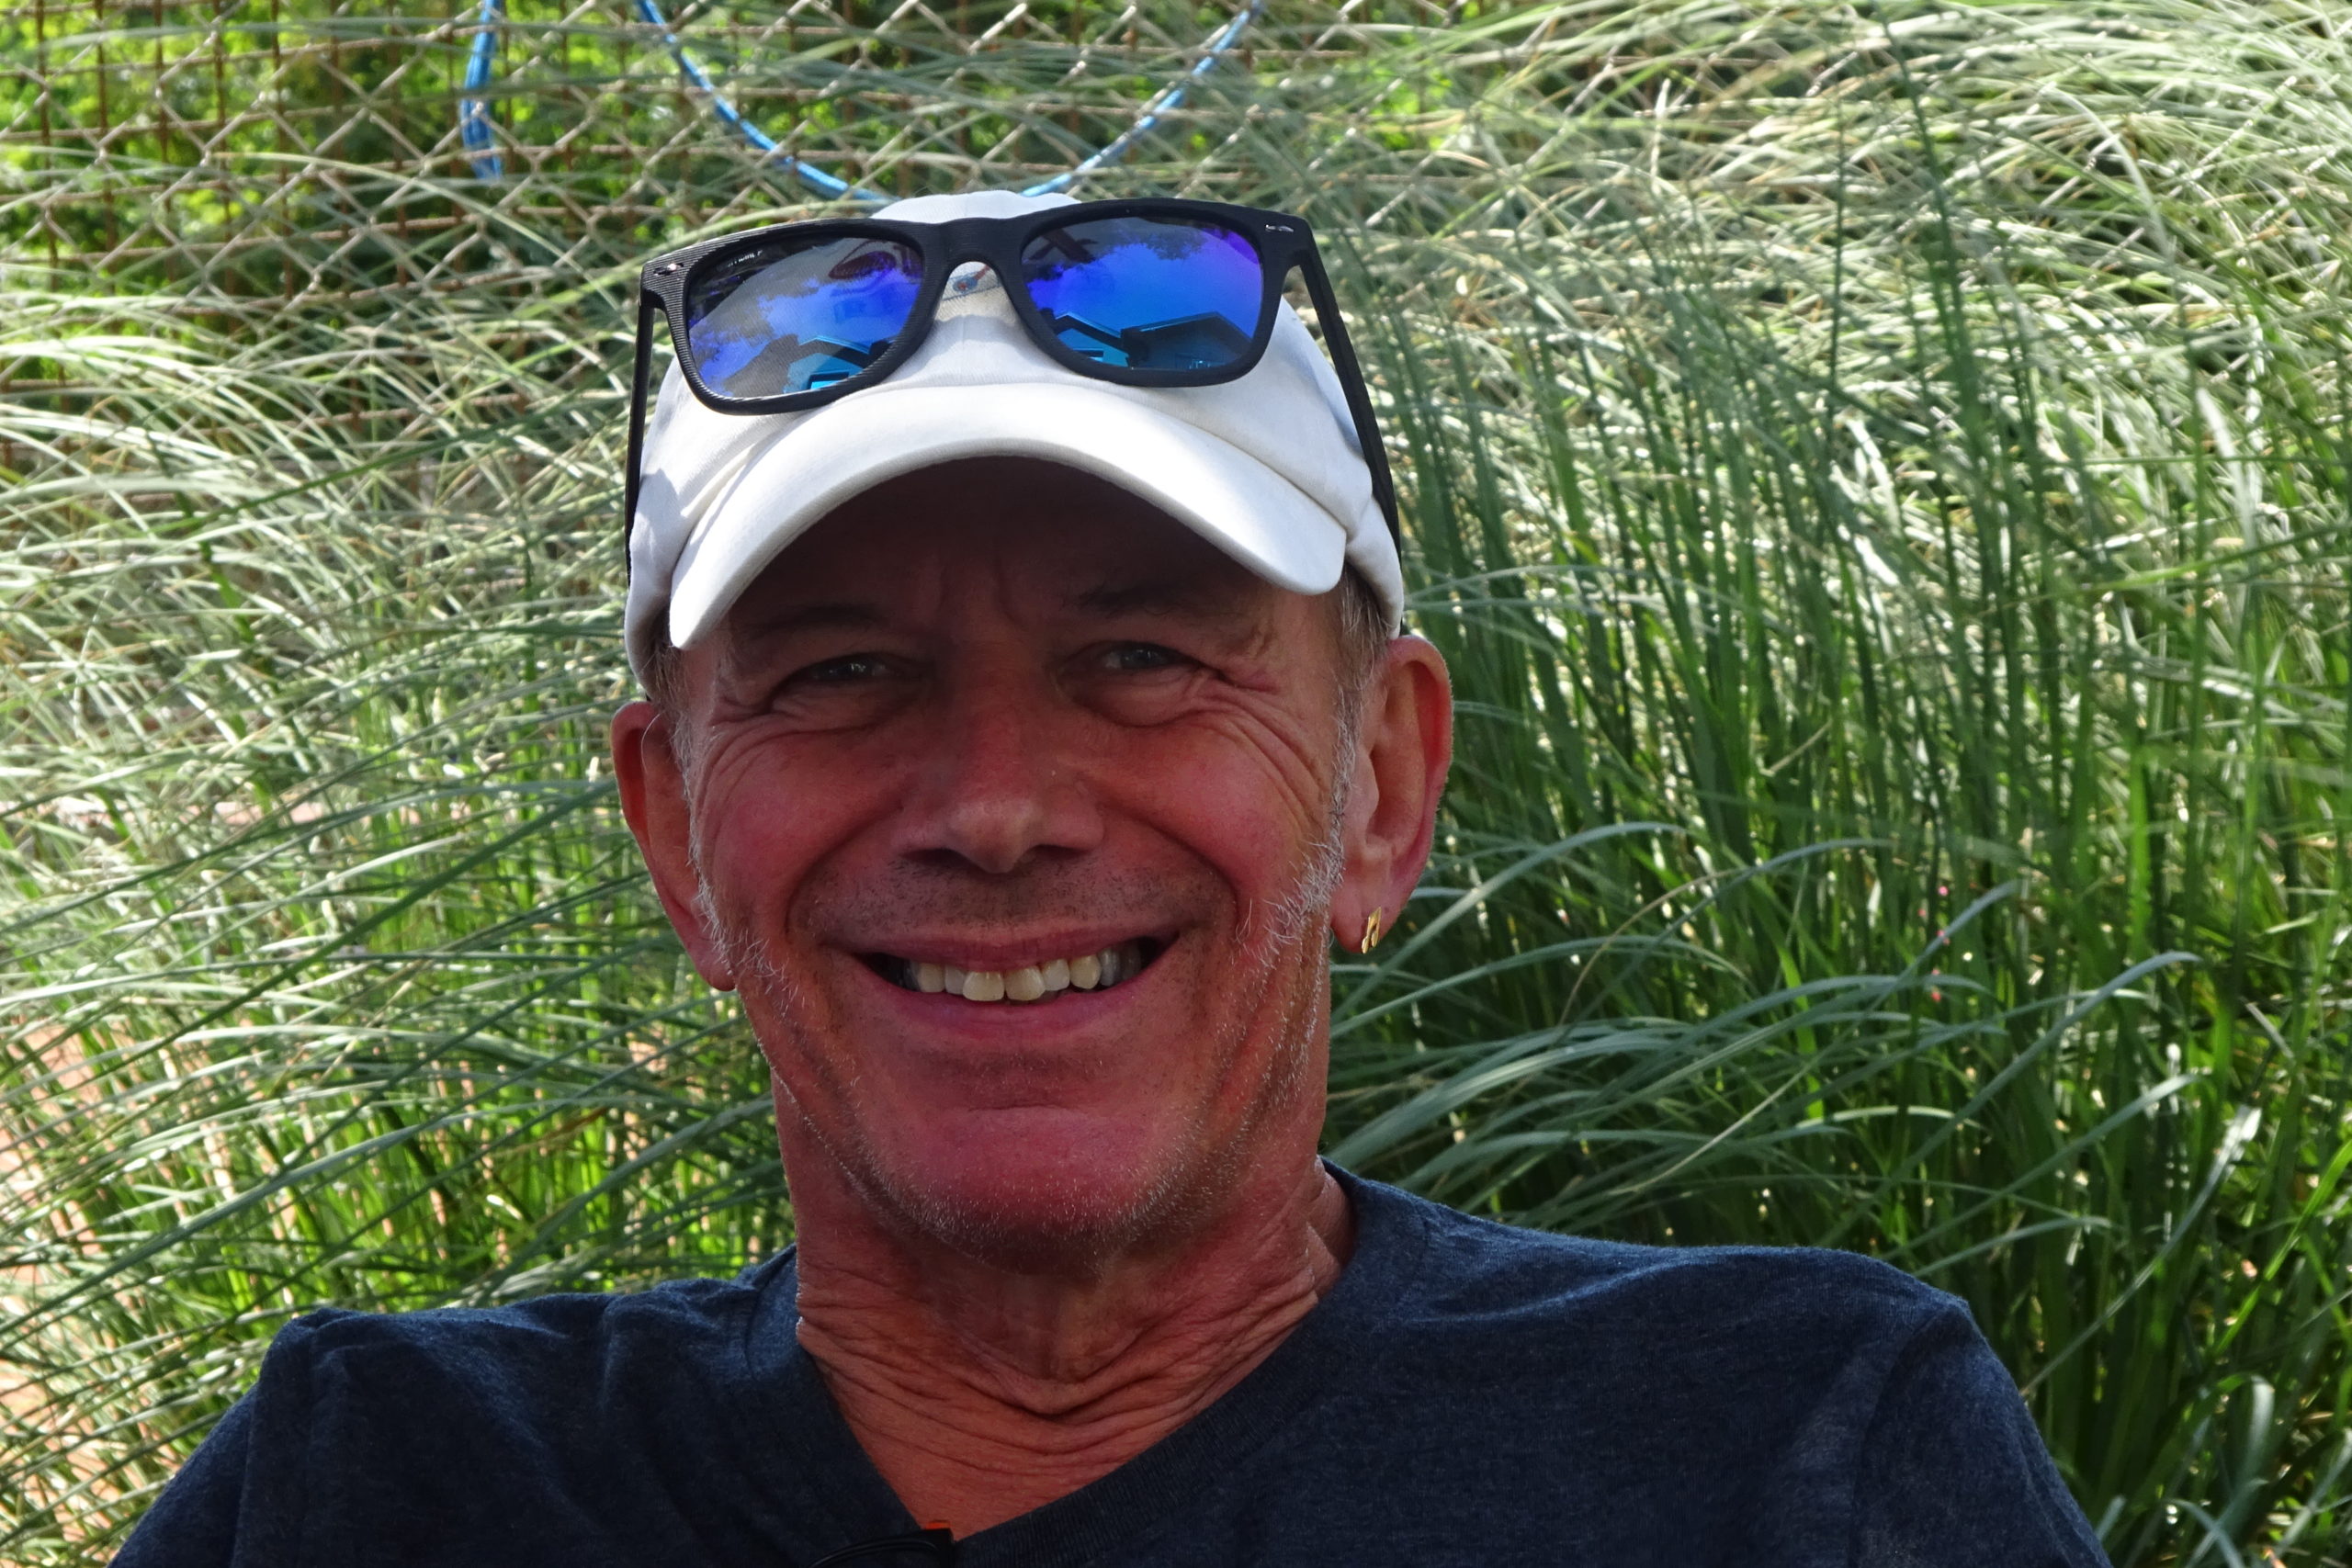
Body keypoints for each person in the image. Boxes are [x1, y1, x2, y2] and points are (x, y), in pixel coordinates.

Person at [117, 189, 2111, 1567]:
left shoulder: (1781, 1443)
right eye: (841, 674)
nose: (997, 805)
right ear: (676, 837)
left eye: (1142, 658)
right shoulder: (374, 1479)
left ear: (1383, 782)